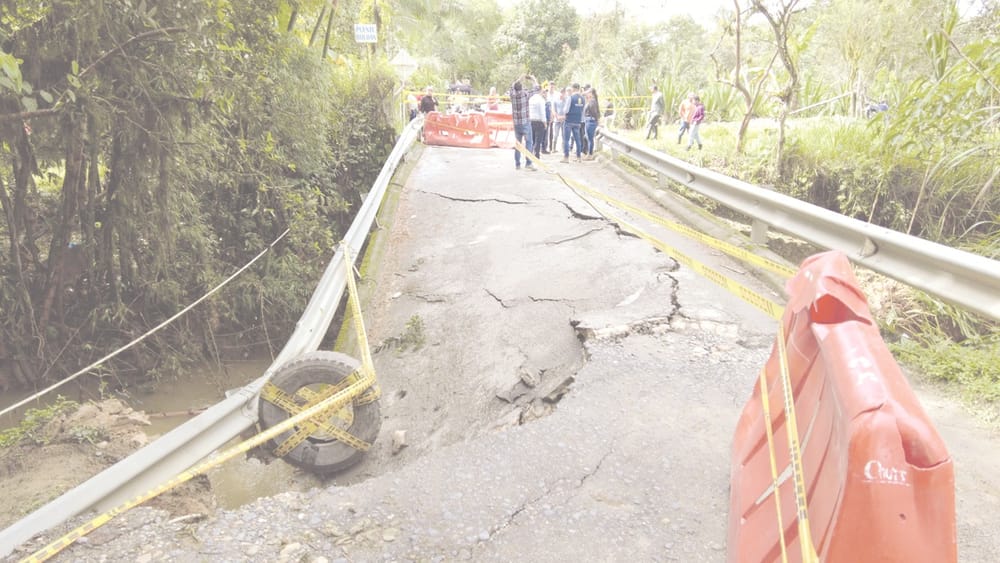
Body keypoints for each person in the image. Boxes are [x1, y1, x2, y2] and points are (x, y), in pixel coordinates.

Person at [508, 74, 540, 171]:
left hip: (516, 123)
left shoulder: (512, 95)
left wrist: (519, 78)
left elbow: (512, 87)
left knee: (518, 144)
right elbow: (537, 88)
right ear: (521, 88)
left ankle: (517, 164)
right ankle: (528, 163)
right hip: (525, 122)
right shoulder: (525, 94)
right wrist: (533, 79)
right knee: (529, 142)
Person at [561, 83, 585, 163]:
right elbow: (583, 111)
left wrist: (563, 112)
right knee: (578, 140)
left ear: (573, 88)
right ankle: (579, 157)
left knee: (566, 140)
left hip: (569, 121)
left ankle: (566, 157)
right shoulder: (583, 98)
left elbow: (566, 110)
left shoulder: (570, 98)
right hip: (578, 121)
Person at [529, 87, 548, 159]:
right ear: (540, 91)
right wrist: (545, 122)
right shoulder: (541, 100)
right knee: (538, 139)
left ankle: (530, 154)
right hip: (539, 121)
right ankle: (536, 155)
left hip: (531, 120)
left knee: (532, 139)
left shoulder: (530, 99)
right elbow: (542, 112)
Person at [583, 88, 601, 161]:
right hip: (589, 120)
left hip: (590, 121)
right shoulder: (591, 101)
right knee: (588, 138)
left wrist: (597, 120)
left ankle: (590, 154)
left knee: (590, 139)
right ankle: (589, 153)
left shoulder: (592, 101)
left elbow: (594, 112)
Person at [550, 86, 566, 153]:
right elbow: (553, 110)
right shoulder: (556, 101)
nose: (562, 94)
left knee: (564, 135)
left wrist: (563, 117)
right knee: (555, 134)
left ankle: (563, 148)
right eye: (562, 93)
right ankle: (553, 148)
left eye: (564, 93)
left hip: (564, 120)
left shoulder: (567, 101)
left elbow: (568, 110)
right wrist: (557, 116)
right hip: (557, 120)